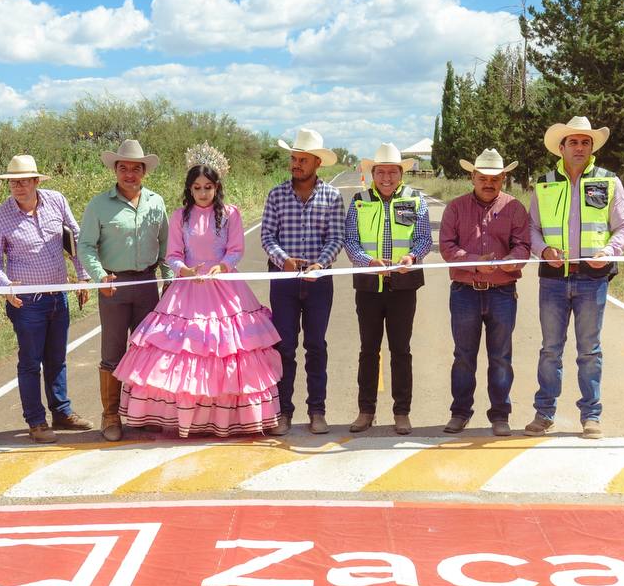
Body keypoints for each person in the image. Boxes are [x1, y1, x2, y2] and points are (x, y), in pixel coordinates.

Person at [115, 143, 282, 436]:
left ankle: (228, 418)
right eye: (197, 187)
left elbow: (235, 249)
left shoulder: (231, 213)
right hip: (187, 289)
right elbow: (173, 254)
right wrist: (184, 270)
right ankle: (181, 416)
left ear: (216, 187)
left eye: (207, 187)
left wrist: (223, 266)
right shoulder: (180, 215)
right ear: (189, 189)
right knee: (183, 351)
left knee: (228, 350)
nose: (203, 193)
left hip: (224, 288)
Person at [526, 116, 624, 439]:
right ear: (561, 148)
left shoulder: (609, 181)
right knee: (550, 350)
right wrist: (543, 251)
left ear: (591, 148)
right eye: (573, 141)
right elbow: (532, 228)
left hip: (592, 278)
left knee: (589, 350)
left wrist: (609, 252)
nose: (580, 147)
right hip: (553, 279)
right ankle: (544, 414)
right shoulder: (544, 184)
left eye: (585, 142)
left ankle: (591, 416)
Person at [0, 155, 91, 444]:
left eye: (23, 181)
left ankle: (61, 411)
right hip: (26, 302)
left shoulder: (56, 201)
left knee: (56, 358)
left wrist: (82, 276)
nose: (18, 187)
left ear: (35, 181)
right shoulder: (0, 217)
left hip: (59, 295)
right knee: (31, 361)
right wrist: (6, 287)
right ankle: (36, 421)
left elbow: (75, 238)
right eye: (13, 182)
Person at [79, 139, 172, 442]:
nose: (129, 174)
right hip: (114, 287)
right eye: (123, 168)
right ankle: (111, 415)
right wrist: (99, 276)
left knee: (147, 351)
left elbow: (166, 247)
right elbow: (86, 245)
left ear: (144, 172)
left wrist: (168, 281)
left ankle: (144, 413)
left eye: (135, 169)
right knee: (113, 352)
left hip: (147, 285)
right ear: (115, 170)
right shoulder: (99, 204)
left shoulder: (156, 203)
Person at [439, 149, 531, 436]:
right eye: (483, 178)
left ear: (503, 177)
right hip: (465, 291)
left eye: (495, 178)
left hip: (502, 292)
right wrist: (477, 265)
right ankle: (460, 412)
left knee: (501, 356)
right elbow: (447, 247)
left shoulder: (515, 207)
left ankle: (500, 415)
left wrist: (506, 262)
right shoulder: (455, 208)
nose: (488, 183)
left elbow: (523, 246)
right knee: (464, 355)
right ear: (472, 177)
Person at [342, 143, 431, 435]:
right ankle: (365, 411)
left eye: (393, 172)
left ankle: (401, 412)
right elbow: (350, 240)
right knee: (368, 350)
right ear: (373, 173)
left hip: (403, 287)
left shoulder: (415, 199)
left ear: (401, 173)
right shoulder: (359, 201)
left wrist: (412, 257)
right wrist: (367, 261)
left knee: (401, 351)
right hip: (369, 286)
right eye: (381, 172)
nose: (387, 178)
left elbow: (424, 239)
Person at [261, 128, 345, 435]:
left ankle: (317, 411)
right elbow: (267, 236)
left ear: (316, 163)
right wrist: (284, 260)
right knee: (284, 346)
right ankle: (283, 411)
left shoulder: (332, 197)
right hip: (283, 281)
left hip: (318, 281)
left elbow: (337, 237)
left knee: (316, 346)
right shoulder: (276, 194)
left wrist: (321, 263)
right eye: (294, 158)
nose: (296, 164)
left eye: (302, 160)